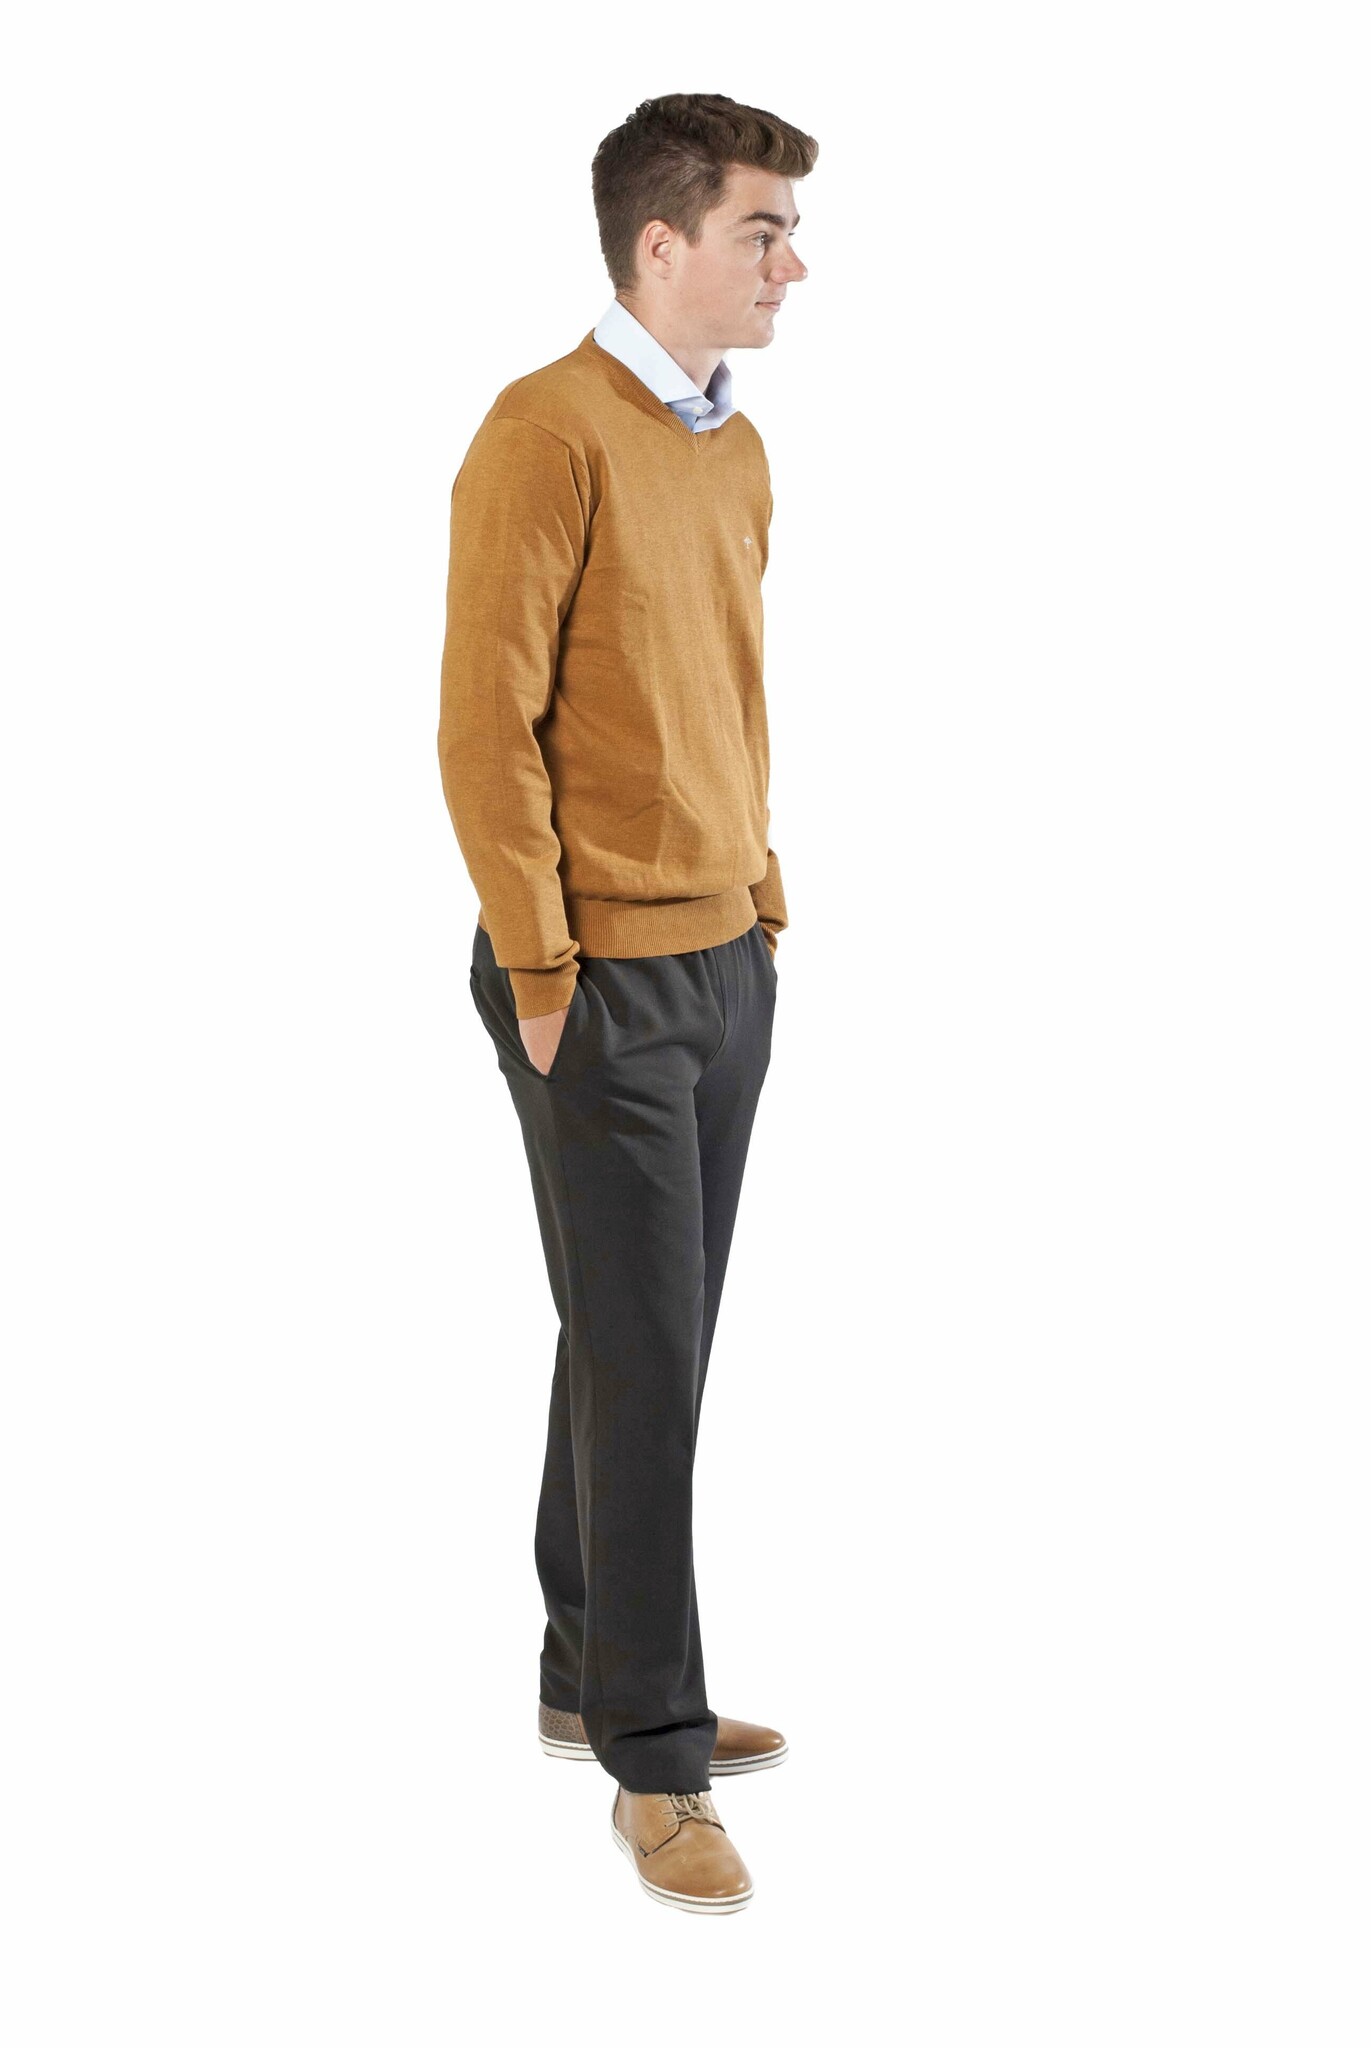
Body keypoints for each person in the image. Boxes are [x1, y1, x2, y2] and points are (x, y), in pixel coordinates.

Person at [437, 92, 815, 1915]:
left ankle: (588, 1663)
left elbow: (725, 688)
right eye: (763, 230)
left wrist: (762, 898)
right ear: (661, 244)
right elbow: (481, 725)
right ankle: (653, 1763)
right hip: (591, 977)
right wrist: (538, 967)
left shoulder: (733, 450)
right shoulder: (544, 431)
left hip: (723, 957)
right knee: (647, 1357)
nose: (793, 265)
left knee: (638, 1335)